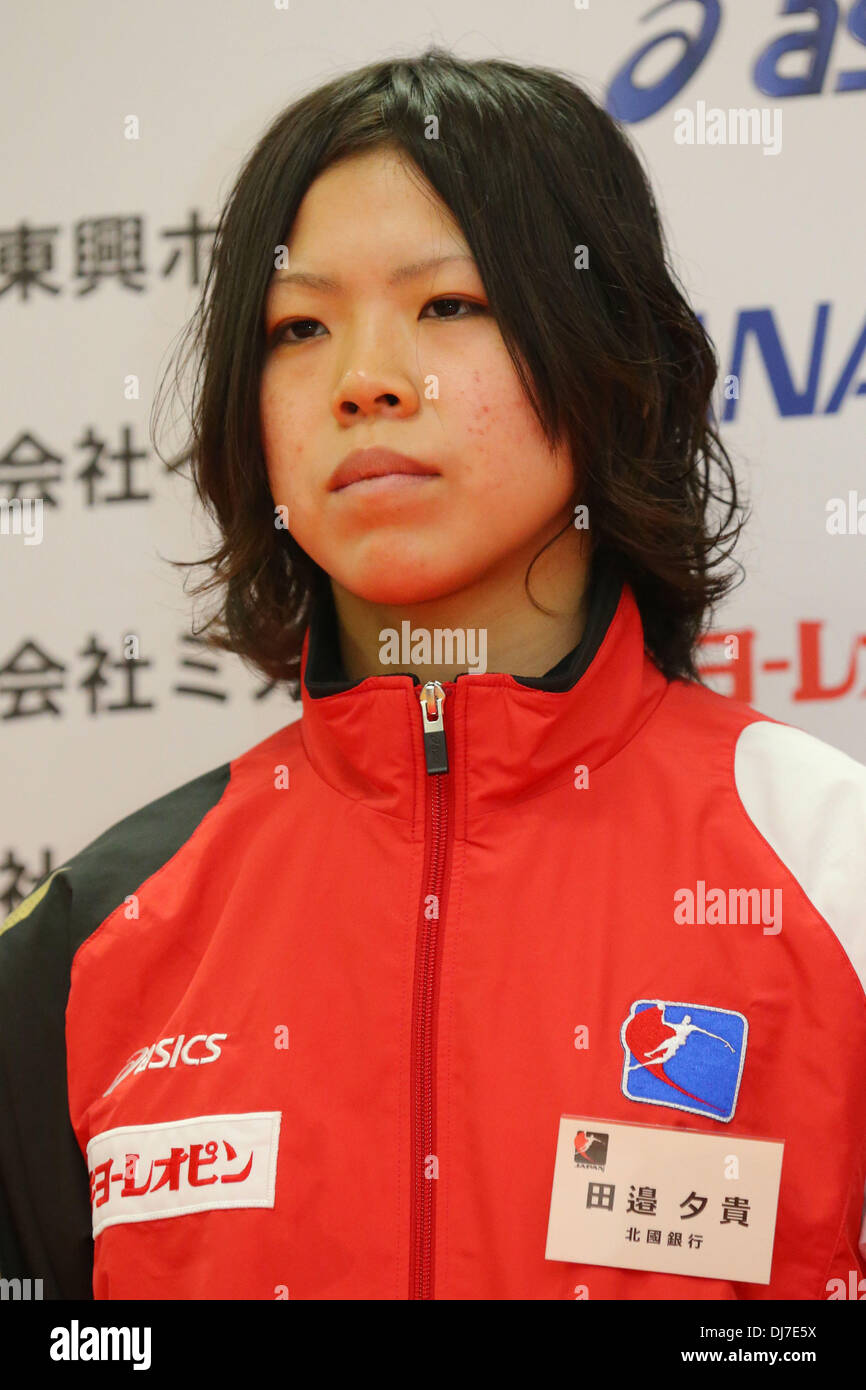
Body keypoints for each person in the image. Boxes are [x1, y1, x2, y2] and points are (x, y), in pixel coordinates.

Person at [1, 47, 864, 1302]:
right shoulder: (91, 941)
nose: (364, 380)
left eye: (446, 306)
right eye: (297, 328)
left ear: (608, 354)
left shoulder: (831, 868)